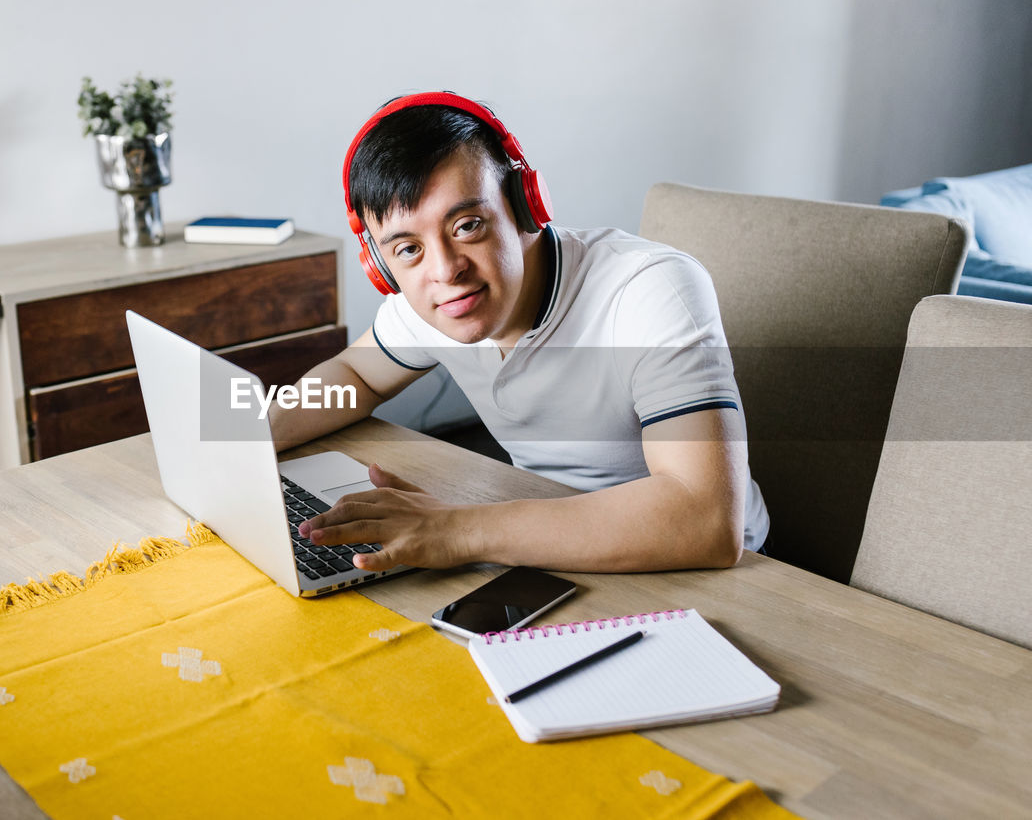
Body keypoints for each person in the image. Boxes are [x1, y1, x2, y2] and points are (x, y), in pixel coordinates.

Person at [269, 91, 768, 575]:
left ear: (525, 206)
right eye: (408, 249)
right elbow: (356, 373)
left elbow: (703, 517)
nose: (444, 270)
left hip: (707, 569)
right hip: (539, 539)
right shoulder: (429, 303)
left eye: (466, 225)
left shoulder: (647, 289)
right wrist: (243, 437)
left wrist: (456, 531)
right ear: (381, 265)